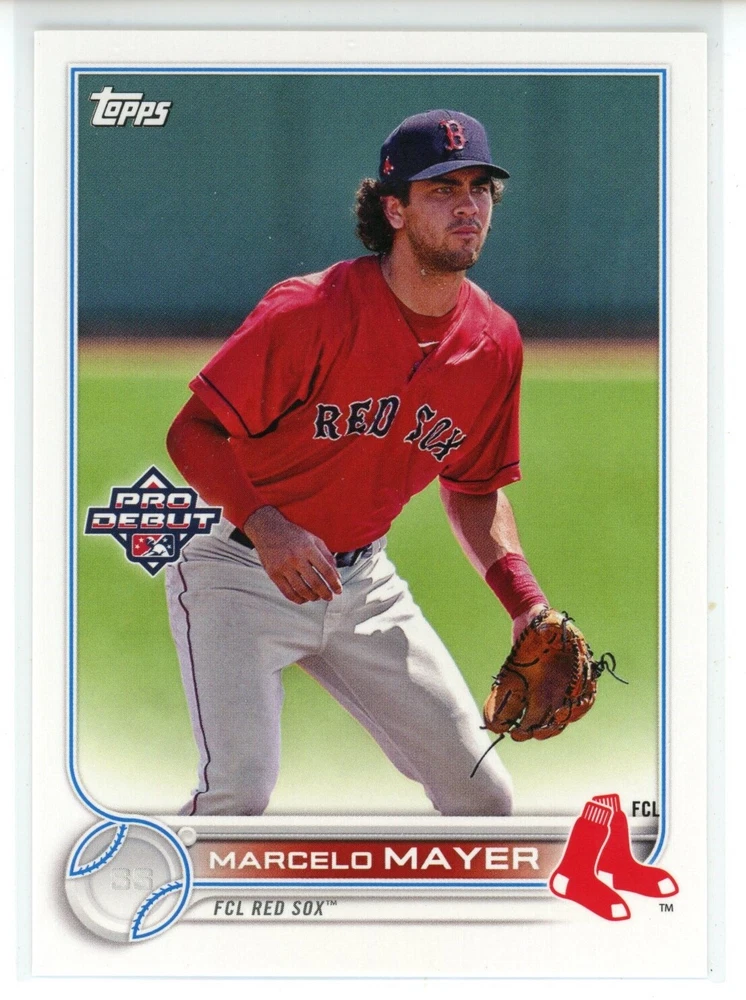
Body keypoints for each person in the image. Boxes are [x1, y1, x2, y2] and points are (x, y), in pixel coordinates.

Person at [165, 110, 549, 817]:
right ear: (393, 209)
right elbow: (192, 432)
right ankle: (138, 879)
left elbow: (475, 487)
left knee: (485, 797)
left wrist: (524, 601)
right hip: (239, 572)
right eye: (442, 189)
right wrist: (268, 525)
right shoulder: (310, 311)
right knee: (237, 794)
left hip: (363, 586)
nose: (468, 205)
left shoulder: (495, 342)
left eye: (480, 187)